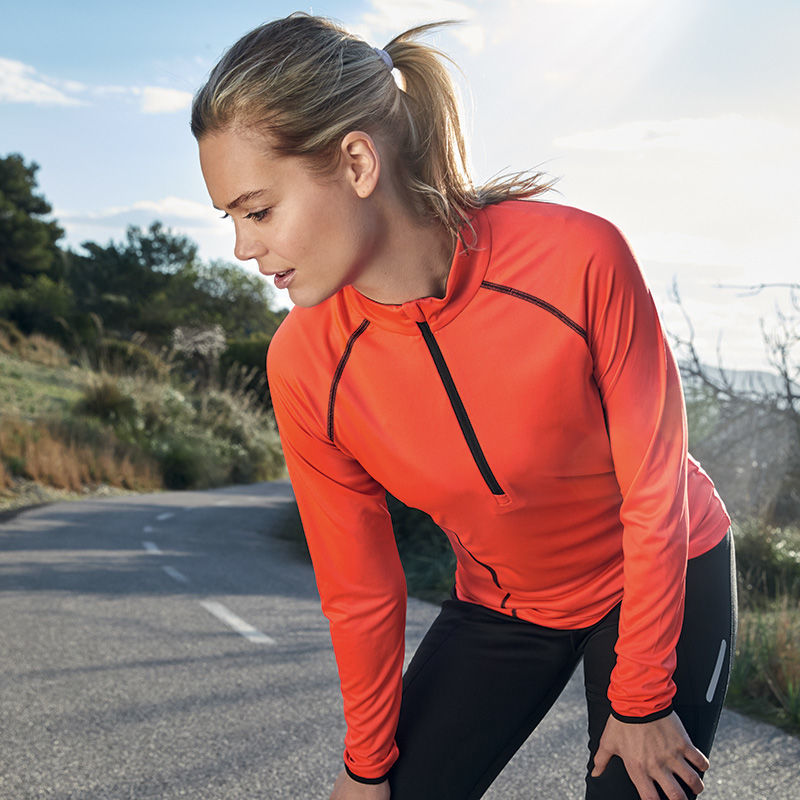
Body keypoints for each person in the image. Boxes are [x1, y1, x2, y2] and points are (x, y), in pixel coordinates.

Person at [191, 12, 737, 800]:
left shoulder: (577, 259)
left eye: (259, 211)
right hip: (506, 606)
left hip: (661, 570)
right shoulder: (306, 364)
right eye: (232, 219)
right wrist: (366, 765)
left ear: (356, 162)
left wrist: (644, 698)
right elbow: (360, 588)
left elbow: (654, 492)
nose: (244, 248)